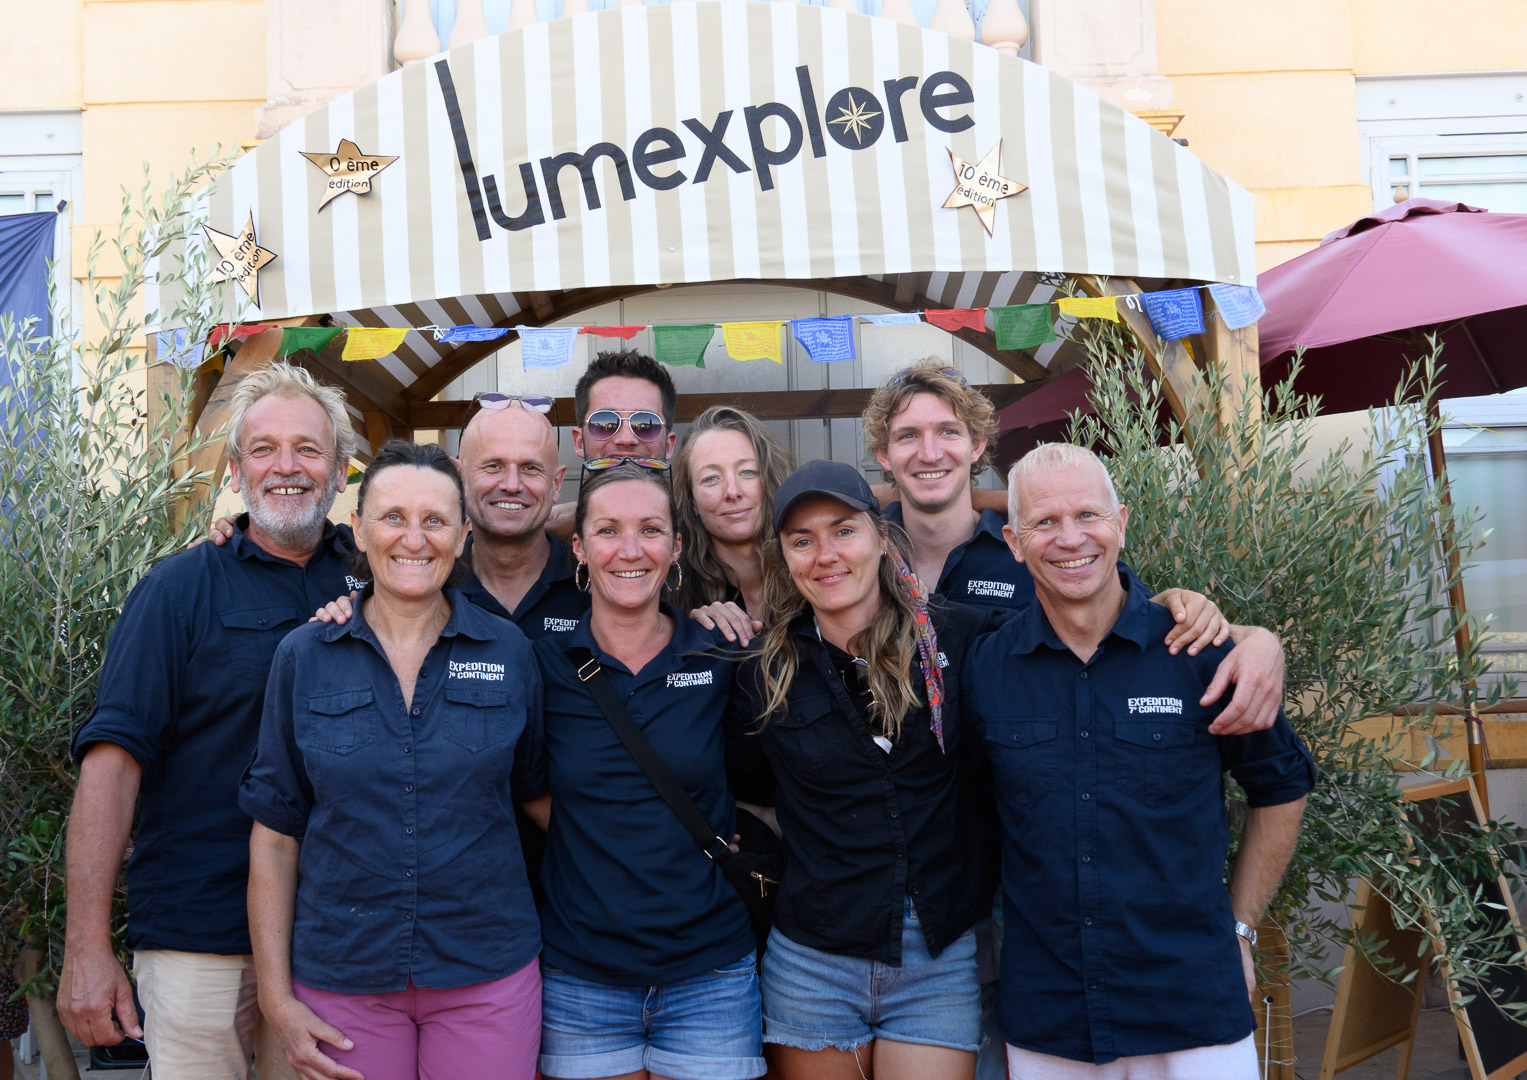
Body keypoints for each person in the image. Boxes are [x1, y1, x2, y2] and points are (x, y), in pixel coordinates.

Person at [963, 443, 1314, 1080]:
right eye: (1045, 522)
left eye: (1088, 515)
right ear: (1013, 543)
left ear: (1121, 523)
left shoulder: (1199, 653)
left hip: (1194, 1006)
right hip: (1051, 1016)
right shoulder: (986, 669)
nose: (1071, 538)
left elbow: (1282, 784)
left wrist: (1242, 929)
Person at [60, 362, 357, 1080]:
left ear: (342, 470)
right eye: (263, 449)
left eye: (309, 449)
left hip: (337, 938)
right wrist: (85, 948)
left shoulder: (378, 580)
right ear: (234, 470)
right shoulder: (178, 589)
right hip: (201, 936)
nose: (286, 467)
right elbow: (111, 768)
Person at [241, 440, 546, 1080]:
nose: (414, 539)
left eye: (435, 520)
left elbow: (537, 798)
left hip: (485, 971)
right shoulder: (304, 656)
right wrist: (275, 997)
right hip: (343, 976)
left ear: (463, 536)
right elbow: (274, 837)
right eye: (393, 518)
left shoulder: (510, 651)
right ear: (359, 530)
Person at [728, 459, 1001, 1080]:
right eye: (802, 540)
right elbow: (749, 786)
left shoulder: (954, 638)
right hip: (814, 959)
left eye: (844, 530)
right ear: (785, 559)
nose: (825, 555)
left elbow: (1069, 624)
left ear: (882, 538)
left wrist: (1173, 604)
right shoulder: (762, 673)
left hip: (937, 955)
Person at [533, 459, 764, 1080]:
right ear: (579, 549)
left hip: (712, 972)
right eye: (608, 531)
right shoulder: (542, 665)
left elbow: (764, 778)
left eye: (651, 530)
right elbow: (526, 787)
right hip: (581, 977)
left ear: (677, 546)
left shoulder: (720, 652)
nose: (630, 551)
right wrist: (602, 834)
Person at [455, 394, 587, 638]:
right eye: (493, 466)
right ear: (460, 478)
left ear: (556, 484)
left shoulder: (594, 581)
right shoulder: (434, 582)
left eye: (530, 468)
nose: (512, 485)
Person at [671, 404, 792, 623]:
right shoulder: (671, 592)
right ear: (692, 502)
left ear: (770, 481)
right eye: (711, 478)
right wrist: (691, 631)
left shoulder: (808, 570)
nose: (732, 492)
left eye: (747, 472)